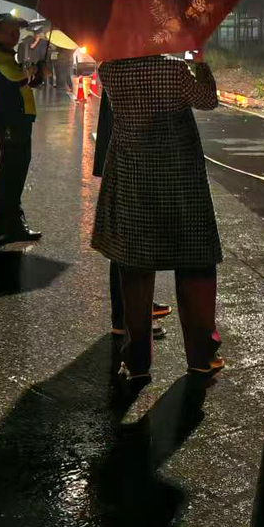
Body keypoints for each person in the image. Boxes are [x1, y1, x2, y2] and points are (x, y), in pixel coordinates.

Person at [92, 51, 223, 388]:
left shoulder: (110, 69)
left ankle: (137, 362)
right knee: (195, 265)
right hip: (179, 178)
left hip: (133, 177)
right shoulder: (173, 70)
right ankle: (201, 357)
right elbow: (209, 100)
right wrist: (202, 63)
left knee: (134, 269)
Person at [93, 89, 171, 341]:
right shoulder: (132, 61)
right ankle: (133, 317)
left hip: (119, 155)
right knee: (135, 238)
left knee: (125, 239)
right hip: (134, 158)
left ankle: (128, 314)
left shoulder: (114, 62)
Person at [0, 13, 43, 247]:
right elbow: (18, 79)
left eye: (17, 31)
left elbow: (25, 82)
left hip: (18, 119)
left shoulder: (7, 55)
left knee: (17, 167)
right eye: (9, 31)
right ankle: (8, 224)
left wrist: (39, 74)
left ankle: (9, 223)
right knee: (12, 169)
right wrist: (34, 71)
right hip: (9, 120)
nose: (15, 35)